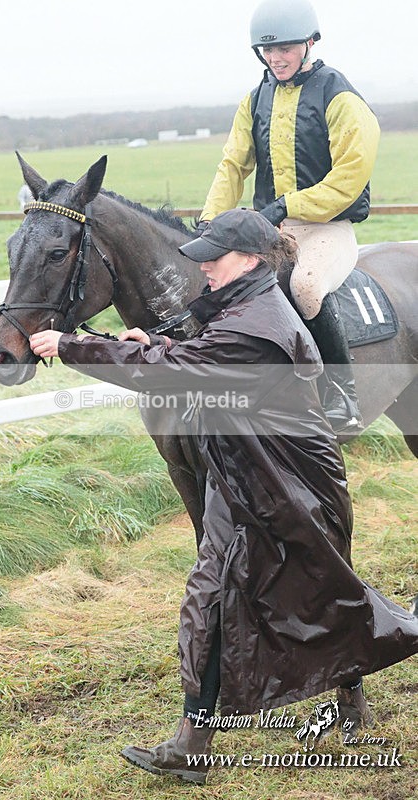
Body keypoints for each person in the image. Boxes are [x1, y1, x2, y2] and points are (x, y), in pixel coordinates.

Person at [30, 209, 418, 785]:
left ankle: (197, 743)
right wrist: (152, 338)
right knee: (254, 595)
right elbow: (189, 354)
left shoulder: (255, 325)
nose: (203, 264)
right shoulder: (245, 308)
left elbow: (178, 368)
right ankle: (199, 743)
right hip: (253, 477)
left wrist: (72, 346)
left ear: (253, 261)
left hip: (280, 489)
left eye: (216, 255)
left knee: (266, 597)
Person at [198, 0, 381, 433]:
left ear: (310, 42)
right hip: (272, 228)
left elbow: (350, 176)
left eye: (285, 48)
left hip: (327, 227)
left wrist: (287, 206)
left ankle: (344, 396)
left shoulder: (339, 95)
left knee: (305, 285)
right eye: (267, 50)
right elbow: (233, 166)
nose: (276, 58)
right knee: (224, 283)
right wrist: (210, 221)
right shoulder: (255, 99)